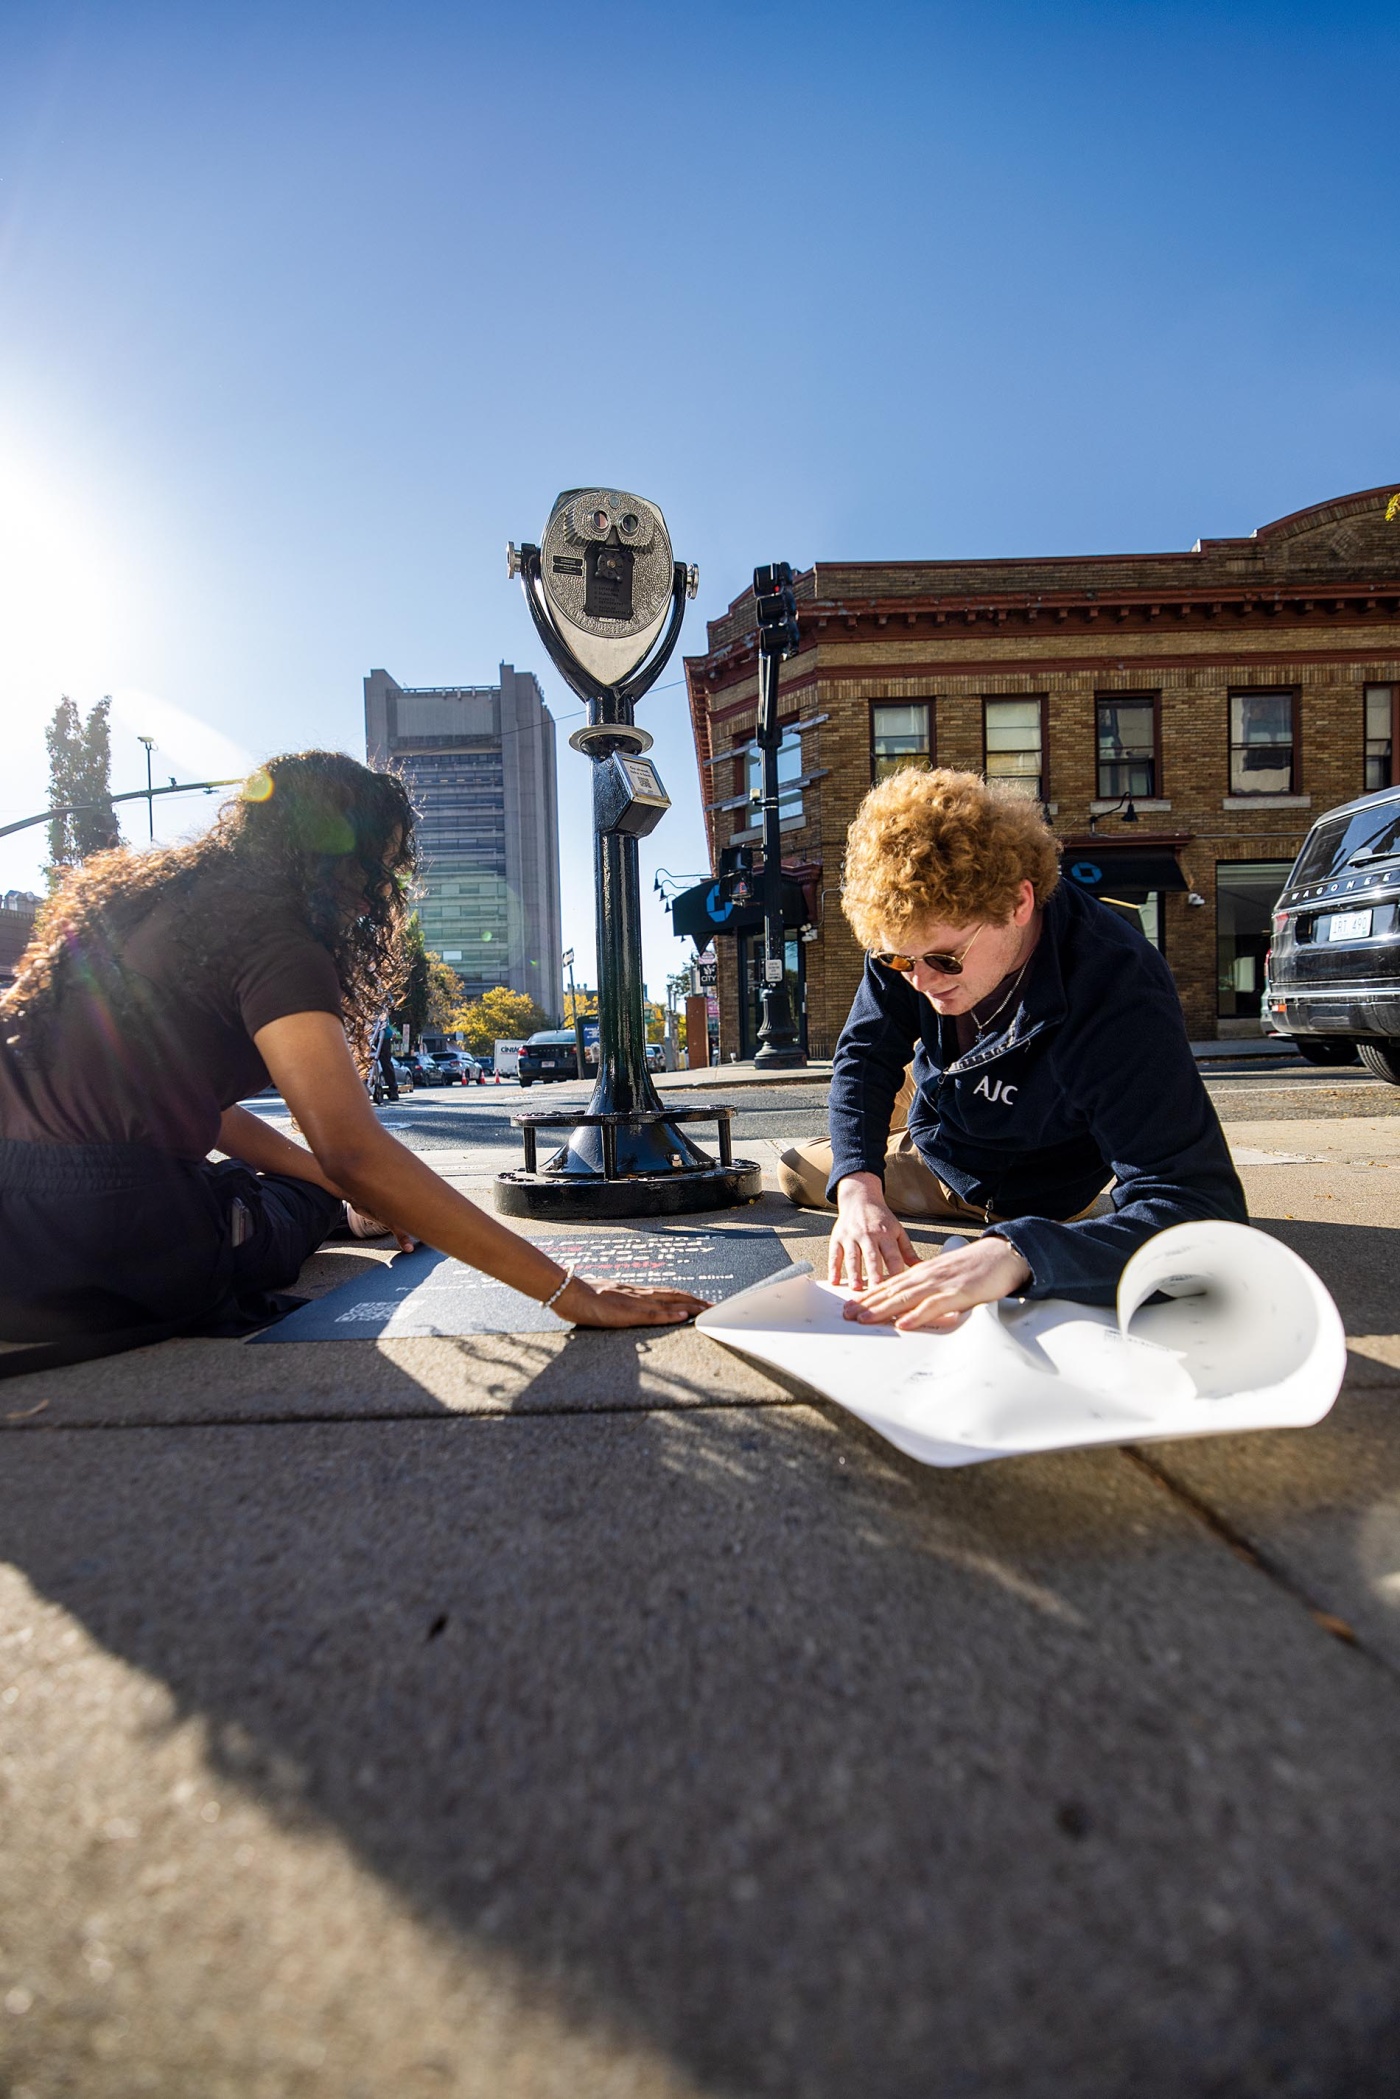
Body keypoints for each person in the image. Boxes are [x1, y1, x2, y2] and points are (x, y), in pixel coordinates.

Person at [0, 751, 704, 1366]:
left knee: (304, 1179)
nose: (383, 891)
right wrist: (571, 1291)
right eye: (385, 864)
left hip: (13, 1228)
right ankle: (332, 1214)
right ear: (344, 857)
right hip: (102, 1229)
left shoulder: (152, 900)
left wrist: (346, 1182)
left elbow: (204, 1112)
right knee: (294, 1201)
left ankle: (346, 1209)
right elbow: (352, 1151)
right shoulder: (277, 942)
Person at [777, 767, 1246, 1332]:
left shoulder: (1118, 989)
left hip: (1024, 1172)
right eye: (900, 960)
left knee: (795, 1172)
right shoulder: (909, 944)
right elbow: (865, 1055)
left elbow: (1201, 1210)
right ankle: (896, 1131)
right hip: (947, 1092)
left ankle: (918, 1151)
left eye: (946, 959)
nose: (921, 981)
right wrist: (858, 1187)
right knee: (848, 1152)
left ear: (1019, 902)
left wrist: (1019, 1253)